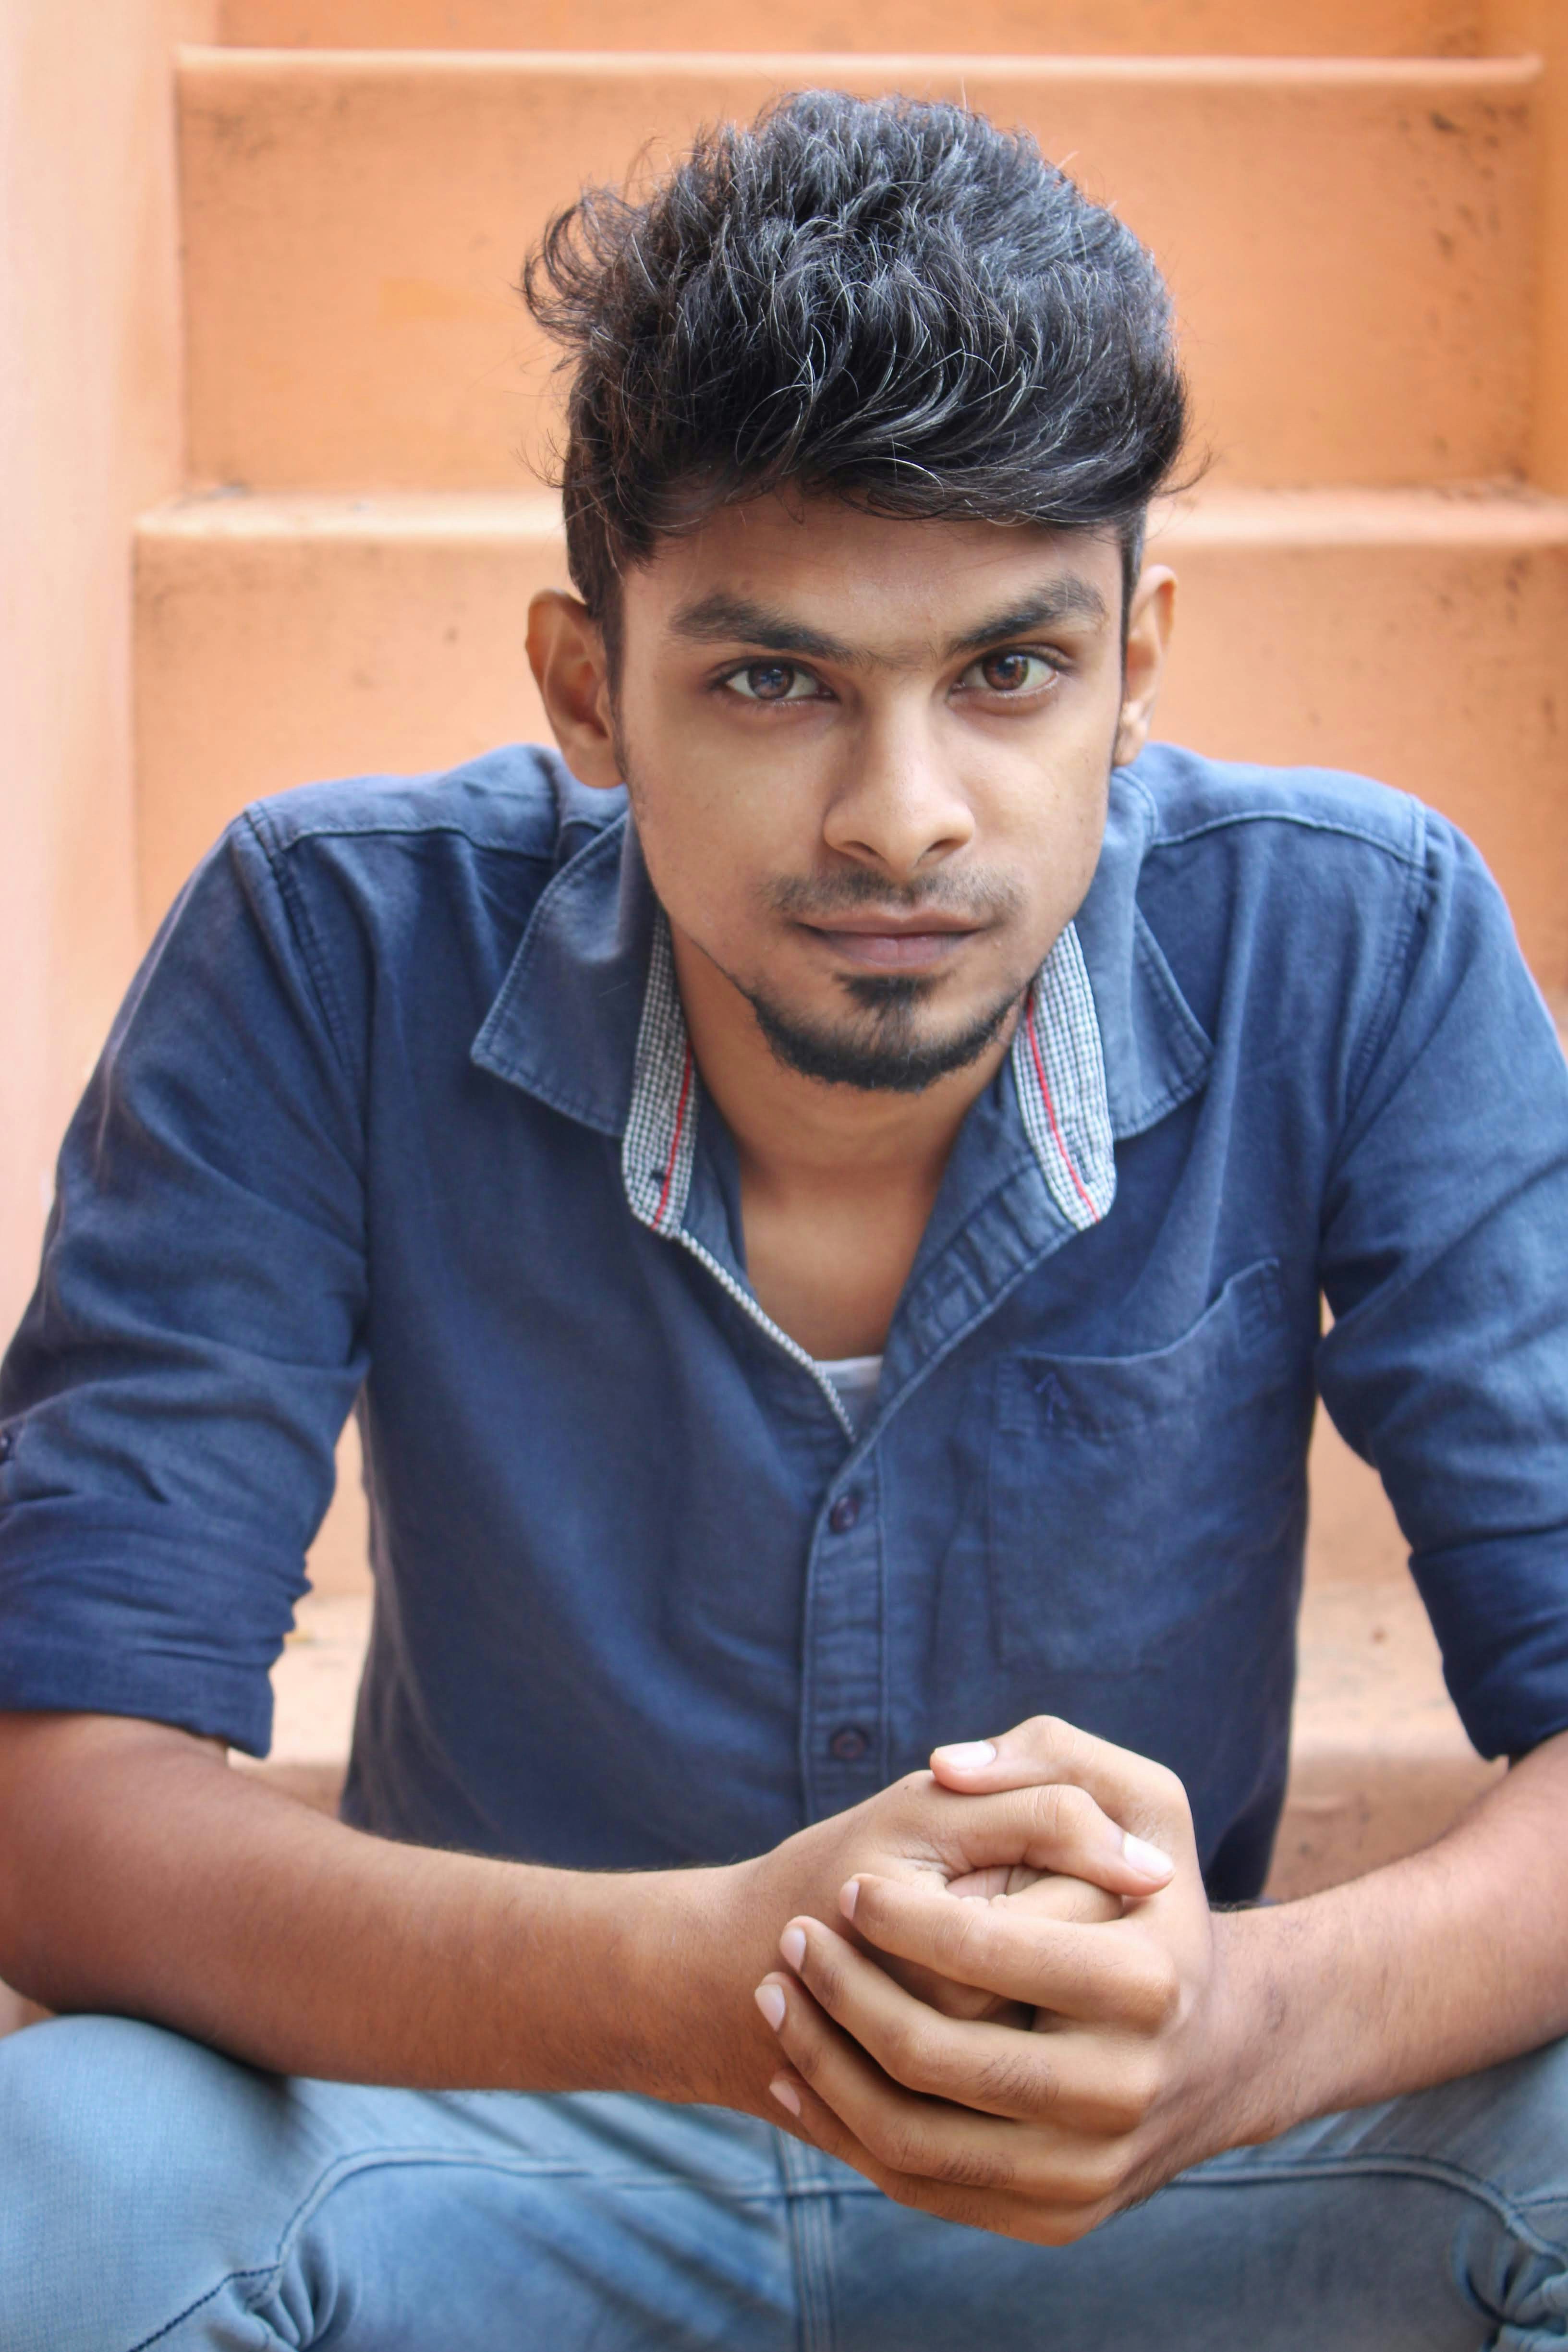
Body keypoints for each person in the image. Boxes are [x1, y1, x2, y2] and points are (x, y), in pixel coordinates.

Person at [1, 85, 1568, 2351]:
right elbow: (59, 1807)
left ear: (1135, 665)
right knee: (64, 2183)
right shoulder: (329, 944)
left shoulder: (1358, 941)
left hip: (1141, 2180)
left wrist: (1249, 2022)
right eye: (770, 680)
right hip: (495, 2136)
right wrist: (693, 1978)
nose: (900, 818)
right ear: (588, 690)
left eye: (1008, 671)